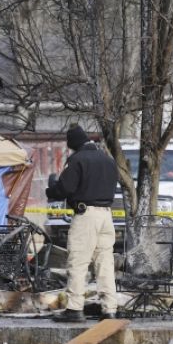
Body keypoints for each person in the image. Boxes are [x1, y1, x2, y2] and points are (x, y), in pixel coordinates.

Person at [46, 126, 119, 322]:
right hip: (106, 216)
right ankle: (109, 309)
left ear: (73, 145)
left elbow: (65, 188)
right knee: (104, 264)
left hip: (86, 216)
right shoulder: (108, 160)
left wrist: (51, 189)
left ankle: (74, 308)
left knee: (78, 262)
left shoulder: (77, 160)